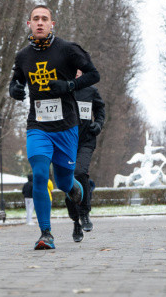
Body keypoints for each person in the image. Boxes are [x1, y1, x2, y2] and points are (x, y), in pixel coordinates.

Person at [9, 5, 100, 250]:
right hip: (37, 126)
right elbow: (16, 81)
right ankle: (45, 233)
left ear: (52, 24)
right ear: (29, 24)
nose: (40, 22)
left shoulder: (68, 50)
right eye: (35, 19)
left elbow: (94, 75)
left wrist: (69, 86)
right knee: (39, 173)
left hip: (66, 127)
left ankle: (74, 187)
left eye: (44, 19)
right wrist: (14, 90)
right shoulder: (23, 56)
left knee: (63, 182)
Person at [65, 70, 105, 243]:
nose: (74, 72)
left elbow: (100, 109)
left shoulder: (91, 90)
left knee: (80, 172)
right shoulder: (62, 89)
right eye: (70, 69)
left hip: (86, 141)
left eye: (78, 70)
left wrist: (98, 124)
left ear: (82, 72)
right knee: (67, 181)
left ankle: (85, 213)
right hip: (66, 143)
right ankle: (75, 222)